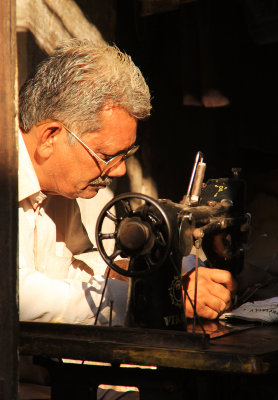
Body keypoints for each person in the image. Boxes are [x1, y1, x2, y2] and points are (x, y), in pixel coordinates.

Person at [18, 39, 236, 398]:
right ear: (50, 136)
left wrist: (152, 276)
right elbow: (18, 295)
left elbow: (73, 268)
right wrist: (146, 302)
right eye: (107, 155)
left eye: (126, 154)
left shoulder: (57, 191)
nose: (117, 170)